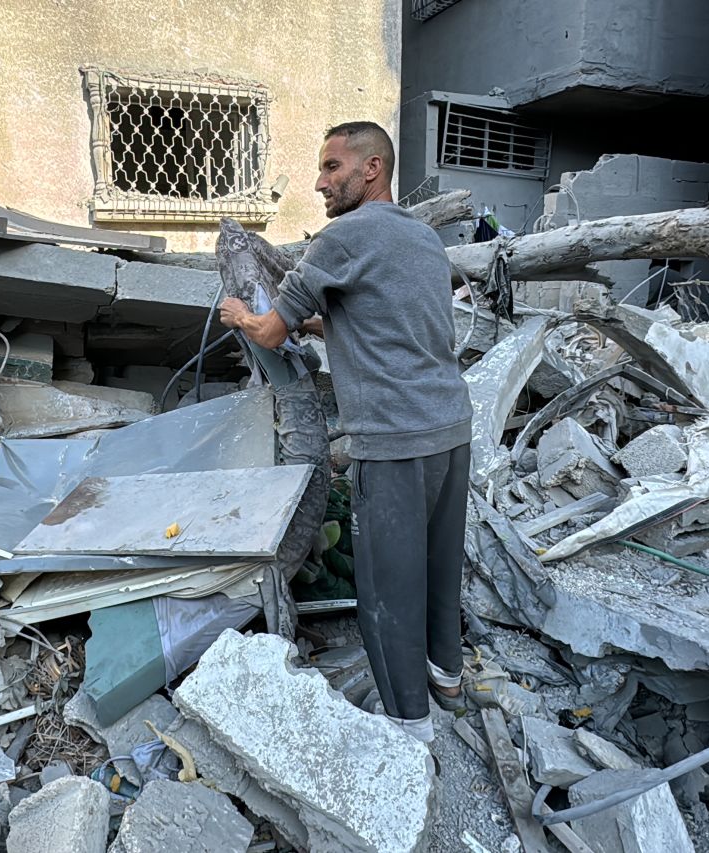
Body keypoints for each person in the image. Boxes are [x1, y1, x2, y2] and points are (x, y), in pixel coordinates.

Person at [218, 121, 473, 743]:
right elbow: (382, 322)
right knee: (440, 565)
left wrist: (241, 316)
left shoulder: (342, 237)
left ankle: (410, 729)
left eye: (332, 167)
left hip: (391, 440)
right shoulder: (424, 240)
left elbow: (272, 331)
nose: (319, 182)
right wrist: (318, 326)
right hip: (452, 427)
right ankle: (448, 681)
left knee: (385, 585)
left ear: (372, 169)